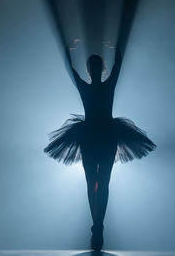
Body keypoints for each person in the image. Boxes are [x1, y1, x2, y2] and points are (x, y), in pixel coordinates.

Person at [44, 46, 156, 251]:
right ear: (99, 69)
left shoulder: (88, 87)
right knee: (101, 182)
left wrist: (68, 53)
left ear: (90, 70)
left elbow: (74, 71)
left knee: (94, 182)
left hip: (92, 135)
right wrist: (116, 48)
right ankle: (98, 226)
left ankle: (97, 225)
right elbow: (117, 66)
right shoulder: (106, 85)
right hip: (104, 135)